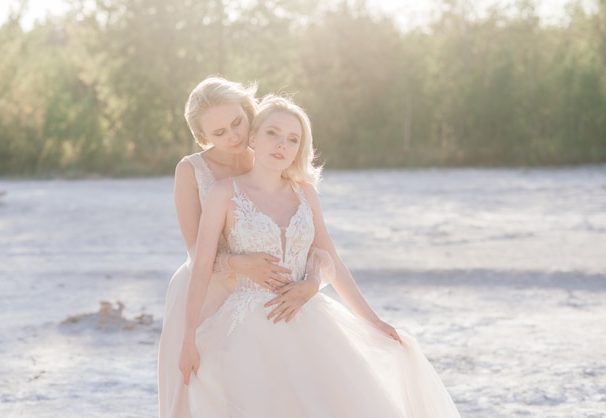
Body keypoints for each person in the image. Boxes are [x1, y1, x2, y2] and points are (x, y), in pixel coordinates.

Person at [179, 94, 461, 417]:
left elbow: (332, 262)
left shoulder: (305, 193)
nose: (281, 144)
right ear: (253, 137)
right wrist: (187, 338)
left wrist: (373, 320)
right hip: (248, 328)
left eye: (292, 139)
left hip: (309, 318)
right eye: (272, 133)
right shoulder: (223, 193)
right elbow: (200, 266)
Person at [158, 78, 322, 418]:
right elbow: (195, 253)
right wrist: (238, 264)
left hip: (266, 291)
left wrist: (313, 279)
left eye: (237, 123)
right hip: (206, 292)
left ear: (249, 113)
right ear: (204, 138)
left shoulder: (269, 153)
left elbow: (306, 233)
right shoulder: (191, 171)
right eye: (219, 133)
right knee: (207, 394)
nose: (233, 137)